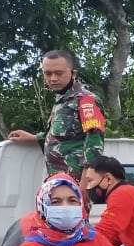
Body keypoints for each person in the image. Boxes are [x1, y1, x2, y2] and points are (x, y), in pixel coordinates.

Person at [7, 50, 105, 179]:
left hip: (77, 182)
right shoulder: (62, 100)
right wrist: (34, 137)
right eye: (48, 73)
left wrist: (86, 183)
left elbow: (94, 145)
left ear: (73, 73)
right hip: (59, 180)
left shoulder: (86, 100)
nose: (53, 79)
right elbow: (64, 136)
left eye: (59, 73)